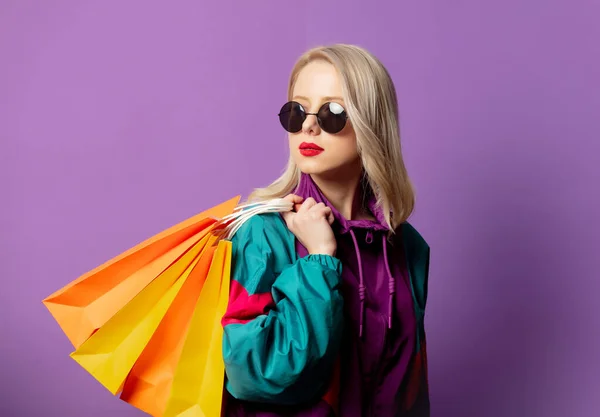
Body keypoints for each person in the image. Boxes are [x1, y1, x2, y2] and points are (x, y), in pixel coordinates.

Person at [220, 44, 431, 417]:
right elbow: (251, 373)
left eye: (333, 112)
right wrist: (318, 260)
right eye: (296, 111)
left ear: (371, 124)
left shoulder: (407, 248)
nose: (309, 125)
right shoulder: (264, 233)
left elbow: (408, 389)